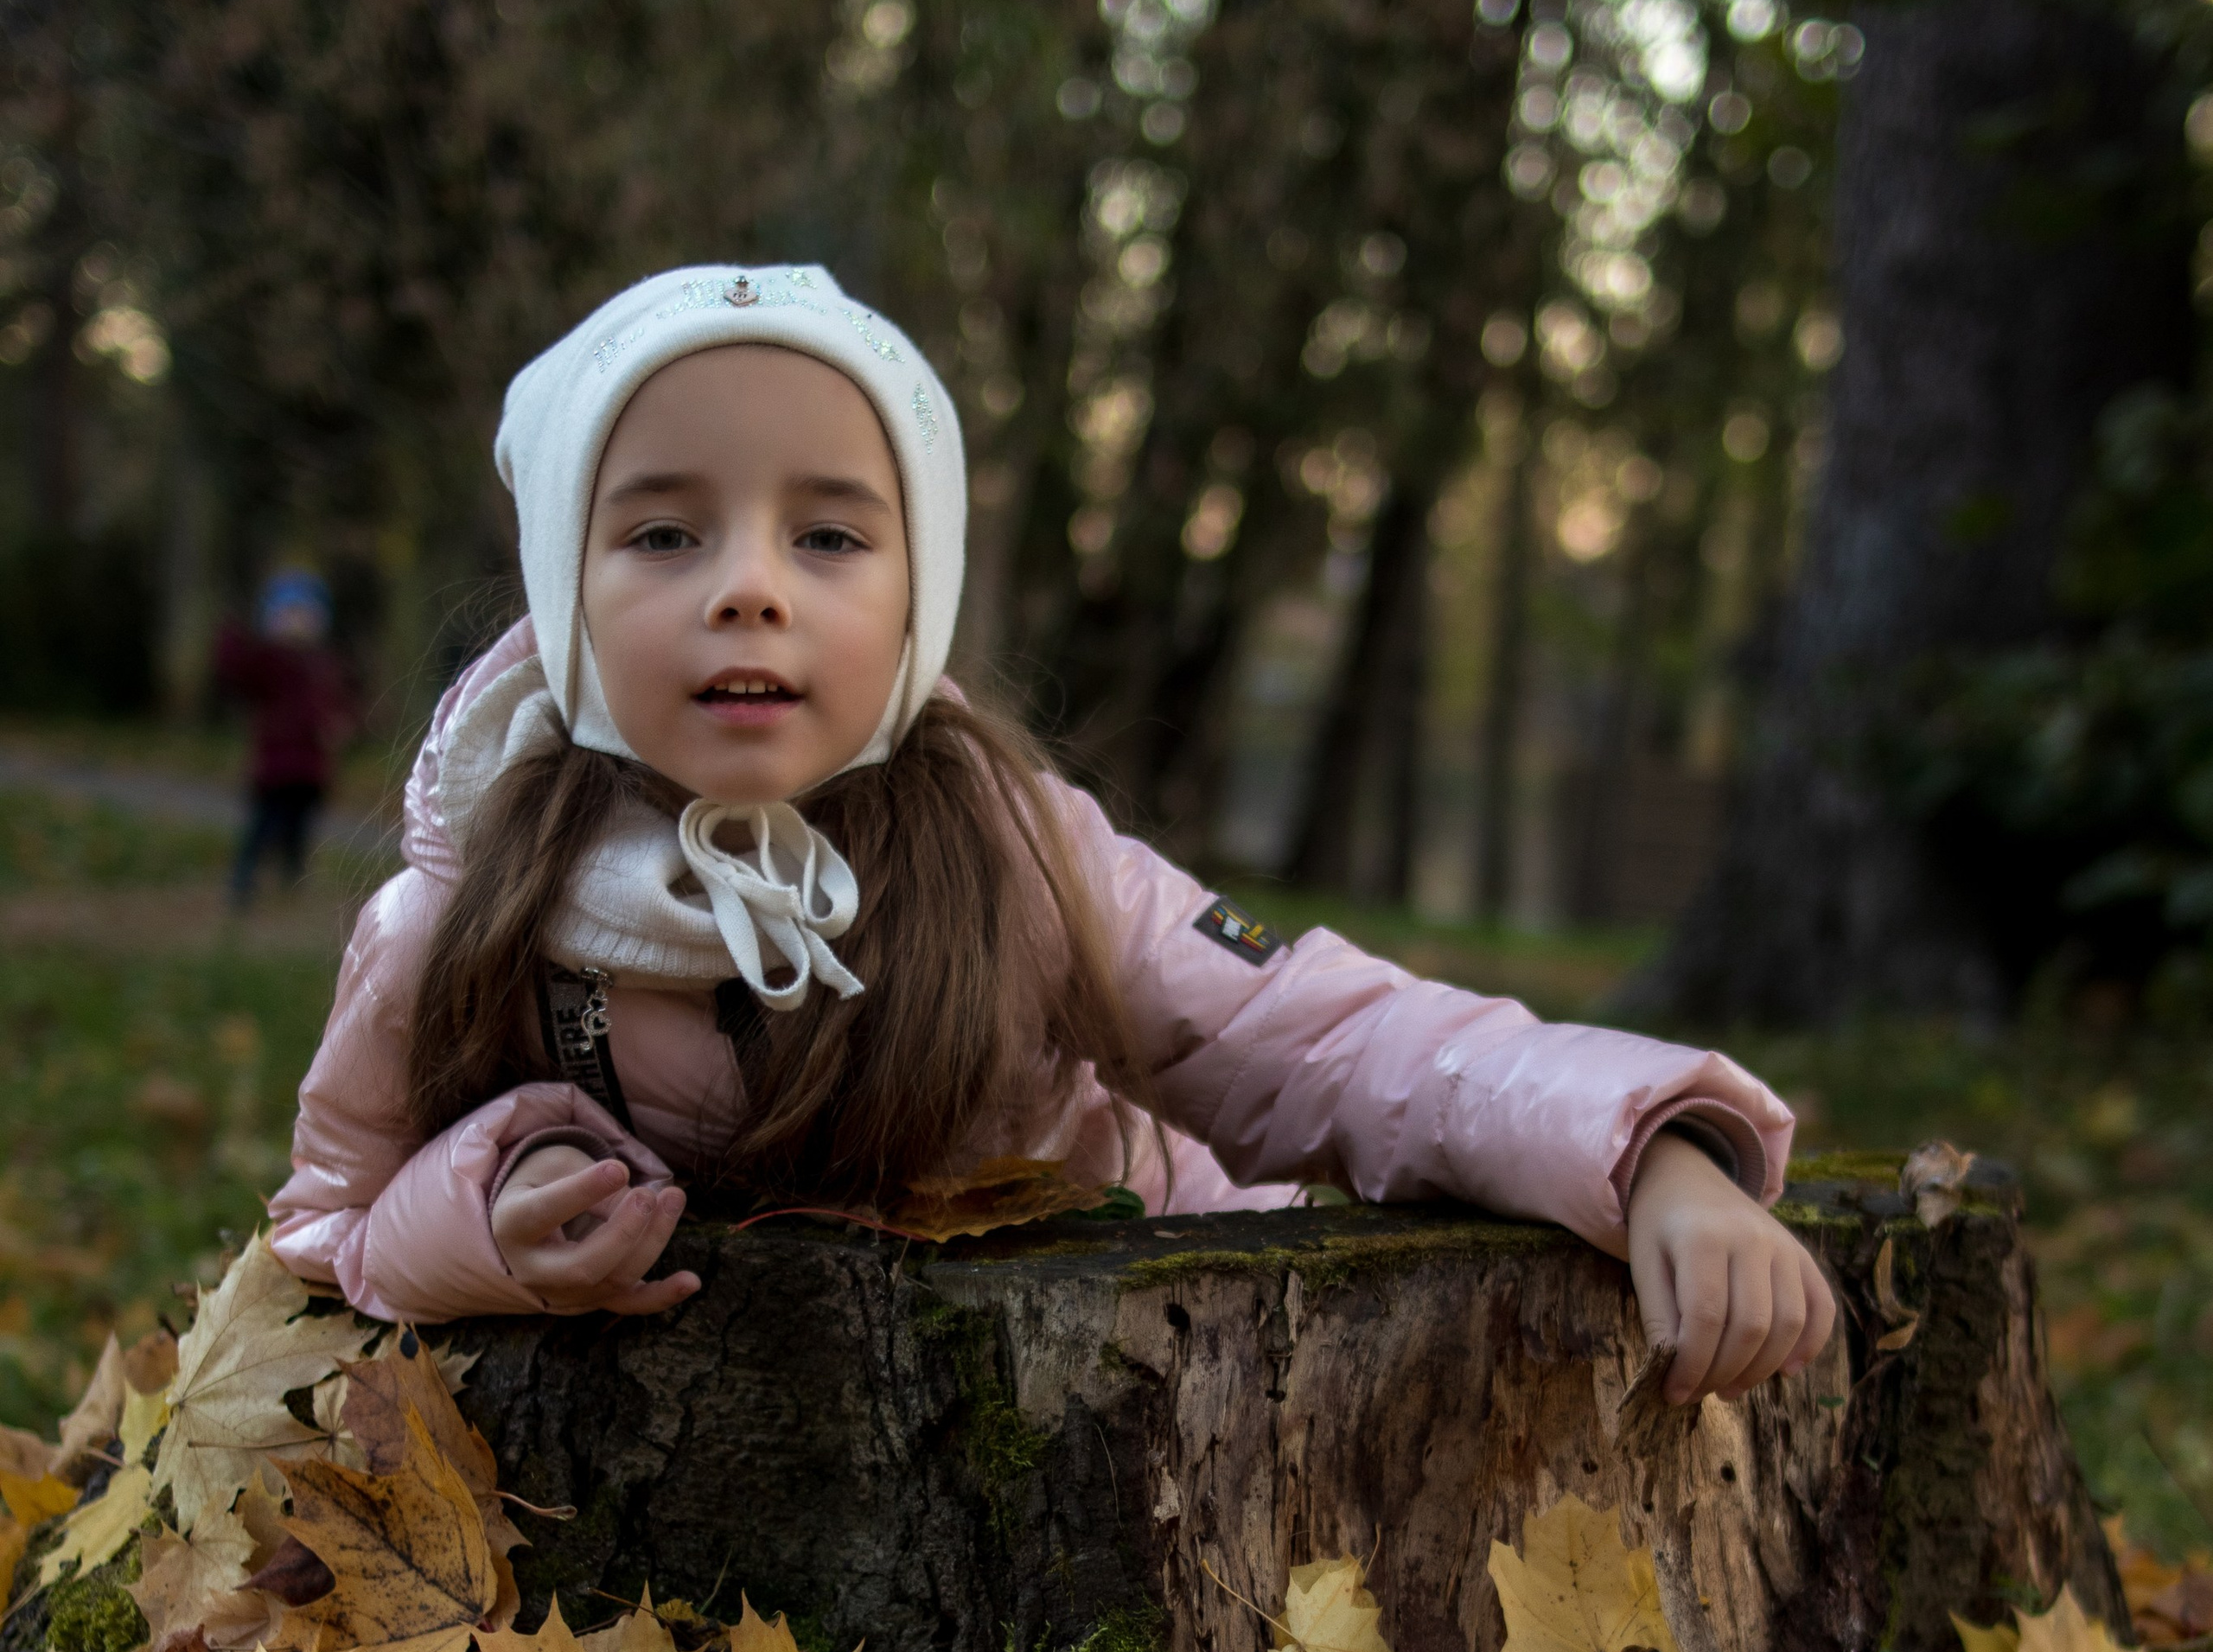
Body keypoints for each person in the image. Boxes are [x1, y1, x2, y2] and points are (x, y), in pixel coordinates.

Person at [270, 263, 1834, 1402]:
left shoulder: (1003, 850)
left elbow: (1325, 1040)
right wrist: (477, 1211)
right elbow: (330, 1229)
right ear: (566, 590)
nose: (749, 585)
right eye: (664, 532)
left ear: (918, 595)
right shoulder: (461, 916)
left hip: (1154, 1399)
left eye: (828, 534)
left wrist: (1652, 1152)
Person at [216, 567, 355, 902]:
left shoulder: (325, 664)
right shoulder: (269, 661)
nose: (297, 623)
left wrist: (342, 724)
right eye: (288, 614)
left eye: (304, 615)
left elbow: (342, 703)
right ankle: (243, 881)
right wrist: (231, 631)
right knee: (263, 826)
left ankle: (291, 883)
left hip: (311, 768)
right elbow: (236, 670)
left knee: (299, 829)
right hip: (274, 765)